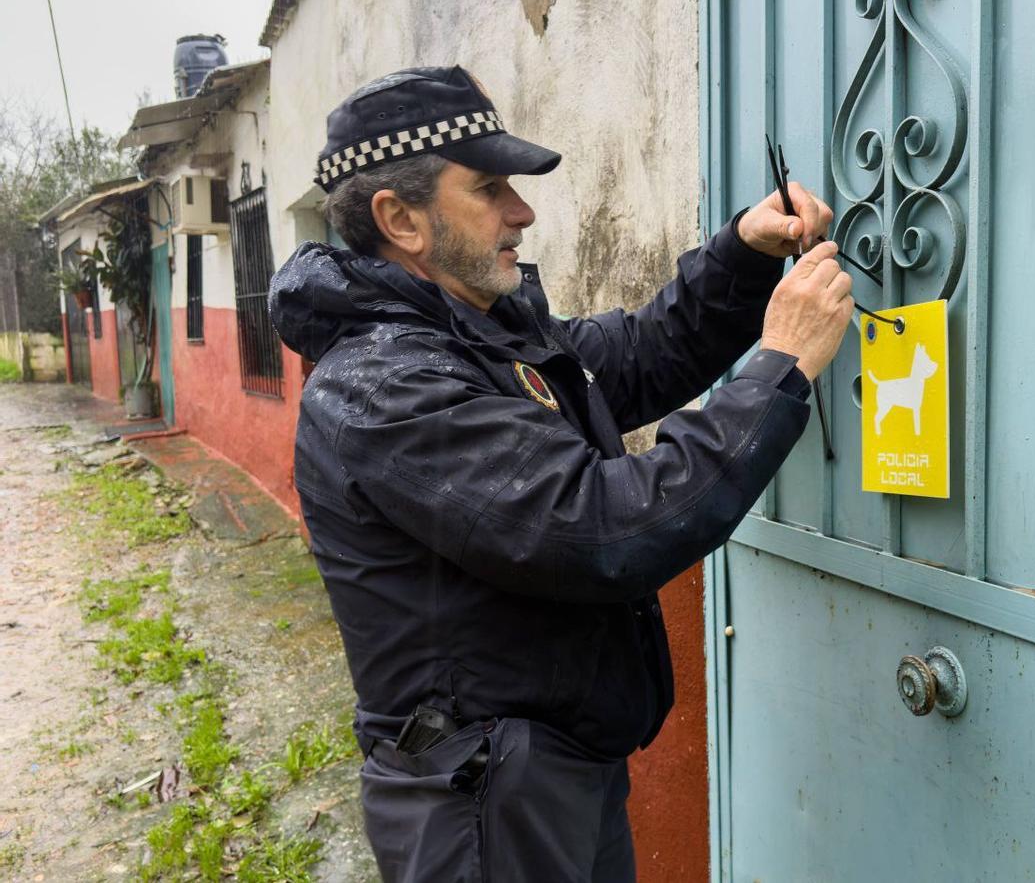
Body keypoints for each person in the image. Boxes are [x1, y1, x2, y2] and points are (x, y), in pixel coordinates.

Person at [268, 65, 853, 883]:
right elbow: (605, 529)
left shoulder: (477, 336)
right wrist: (781, 365)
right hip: (484, 802)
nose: (523, 211)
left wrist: (742, 258)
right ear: (400, 219)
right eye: (489, 189)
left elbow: (634, 356)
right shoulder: (385, 386)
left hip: (547, 773)